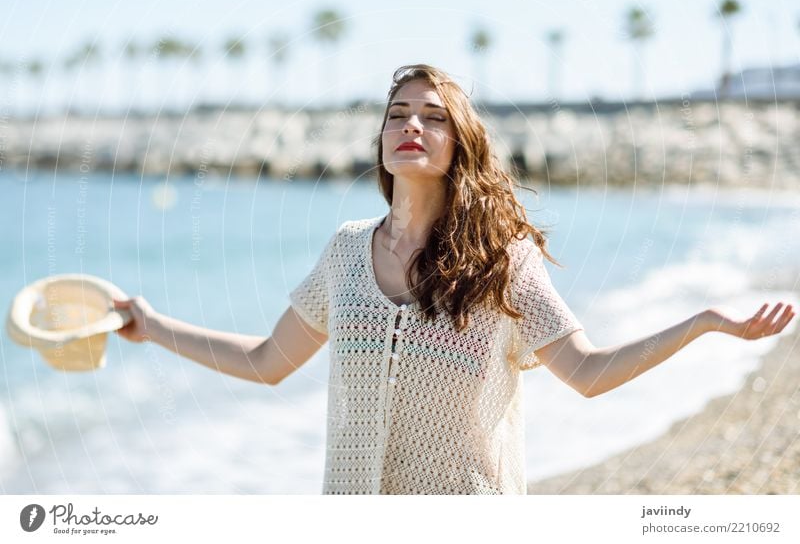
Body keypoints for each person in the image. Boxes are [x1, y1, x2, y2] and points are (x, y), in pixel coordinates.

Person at [114, 63, 795, 495]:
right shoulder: (345, 254)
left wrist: (704, 322)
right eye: (398, 114)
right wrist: (151, 325)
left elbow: (589, 372)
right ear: (382, 142)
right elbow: (266, 361)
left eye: (433, 117)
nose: (412, 123)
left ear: (458, 146)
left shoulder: (502, 261)